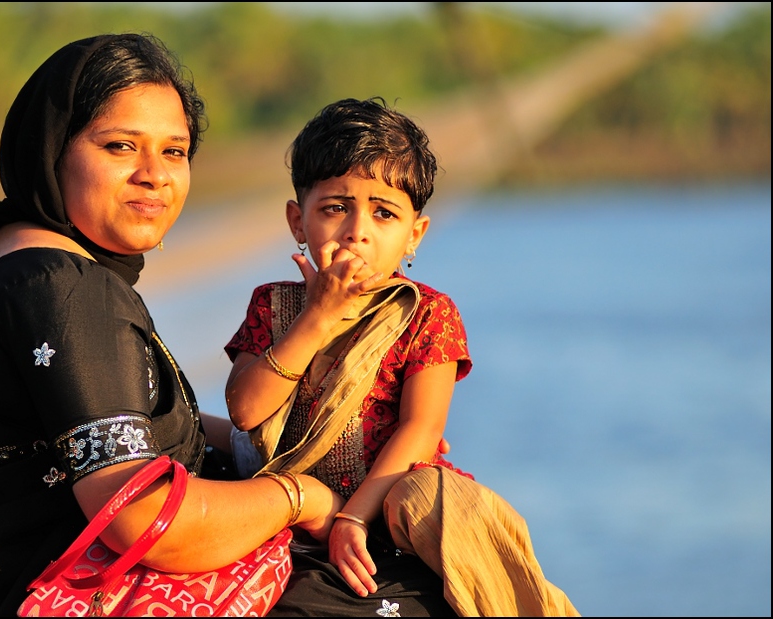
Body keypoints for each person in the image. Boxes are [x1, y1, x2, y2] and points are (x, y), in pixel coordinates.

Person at [0, 32, 348, 617]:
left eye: (175, 151)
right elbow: (139, 515)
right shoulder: (62, 286)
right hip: (26, 594)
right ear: (52, 148)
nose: (155, 175)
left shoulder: (2, 250)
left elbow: (134, 431)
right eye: (120, 146)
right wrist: (300, 496)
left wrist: (330, 444)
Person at [224, 97, 580, 616]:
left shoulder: (427, 314)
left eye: (384, 212)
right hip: (289, 507)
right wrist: (317, 317)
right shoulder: (275, 304)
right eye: (334, 207)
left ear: (415, 233)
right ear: (297, 221)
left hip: (385, 510)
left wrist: (353, 519)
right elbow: (245, 411)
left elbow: (420, 429)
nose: (357, 230)